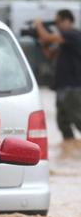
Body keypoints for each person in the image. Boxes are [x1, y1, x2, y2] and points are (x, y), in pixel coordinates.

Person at [35, 9, 81, 140]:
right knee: (63, 124)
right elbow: (49, 54)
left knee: (78, 120)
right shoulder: (65, 41)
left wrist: (38, 25)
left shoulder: (73, 34)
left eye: (58, 22)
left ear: (68, 20)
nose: (57, 26)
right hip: (62, 87)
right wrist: (43, 44)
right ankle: (71, 151)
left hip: (73, 87)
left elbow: (46, 36)